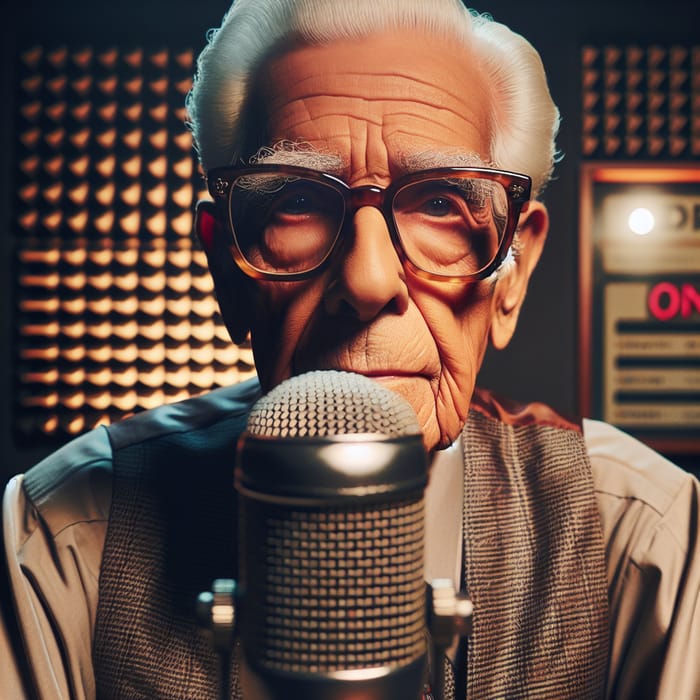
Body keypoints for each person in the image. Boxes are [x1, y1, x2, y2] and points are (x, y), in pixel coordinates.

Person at [2, 0, 699, 698]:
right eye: (297, 202)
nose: (367, 280)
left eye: (439, 204)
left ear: (511, 274)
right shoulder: (63, 539)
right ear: (227, 271)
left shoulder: (642, 538)